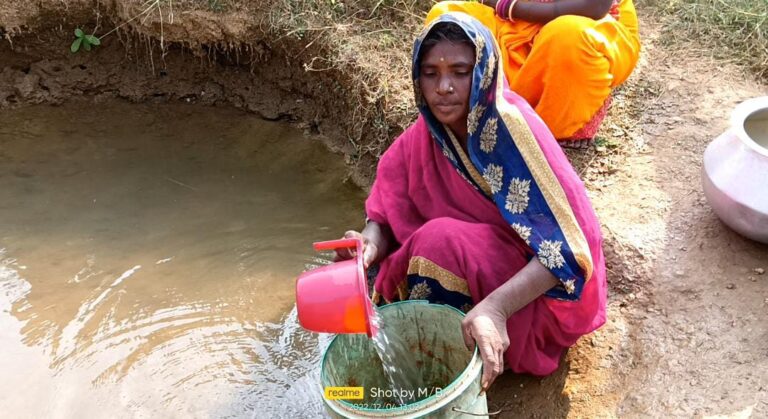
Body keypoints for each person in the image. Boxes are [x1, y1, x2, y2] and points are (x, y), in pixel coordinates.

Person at [335, 13, 606, 391]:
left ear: (484, 73)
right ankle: (438, 341)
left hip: (533, 295)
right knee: (398, 261)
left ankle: (464, 349)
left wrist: (496, 307)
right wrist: (368, 245)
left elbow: (571, 251)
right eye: (431, 73)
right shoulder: (425, 134)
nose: (444, 87)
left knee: (438, 241)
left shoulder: (515, 134)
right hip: (480, 266)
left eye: (459, 72)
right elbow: (384, 211)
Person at [423, 0, 641, 148]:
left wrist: (509, 6)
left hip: (584, 23)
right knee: (446, 17)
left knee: (566, 37)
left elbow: (594, 6)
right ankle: (479, 114)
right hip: (511, 21)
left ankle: (555, 127)